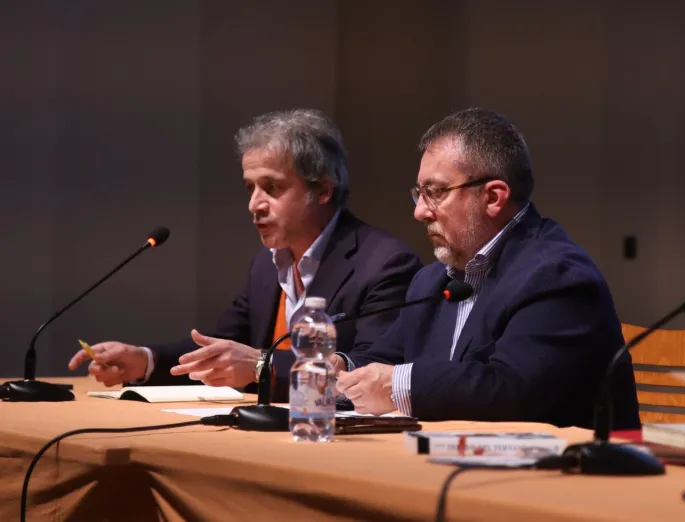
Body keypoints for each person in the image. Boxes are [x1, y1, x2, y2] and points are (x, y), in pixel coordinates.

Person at [68, 109, 422, 401]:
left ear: (323, 191)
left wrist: (260, 365)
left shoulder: (384, 263)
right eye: (250, 188)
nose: (254, 205)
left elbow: (371, 369)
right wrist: (145, 361)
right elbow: (224, 348)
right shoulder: (267, 263)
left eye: (272, 187)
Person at [334, 108, 641, 429]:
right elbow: (387, 360)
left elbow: (511, 389)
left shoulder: (558, 276)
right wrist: (339, 370)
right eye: (419, 194)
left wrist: (396, 385)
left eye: (435, 193)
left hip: (560, 459)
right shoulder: (431, 281)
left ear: (493, 197)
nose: (420, 212)